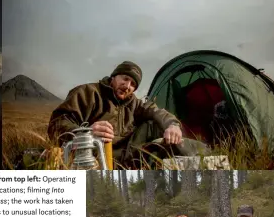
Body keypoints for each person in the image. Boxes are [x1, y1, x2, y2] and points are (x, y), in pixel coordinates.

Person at [48, 61, 210, 167]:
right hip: (94, 156)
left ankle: (206, 156)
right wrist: (87, 132)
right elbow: (57, 123)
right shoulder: (87, 93)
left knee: (155, 124)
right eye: (125, 79)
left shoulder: (135, 103)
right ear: (113, 77)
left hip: (128, 155)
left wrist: (173, 125)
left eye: (133, 84)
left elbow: (158, 112)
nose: (127, 86)